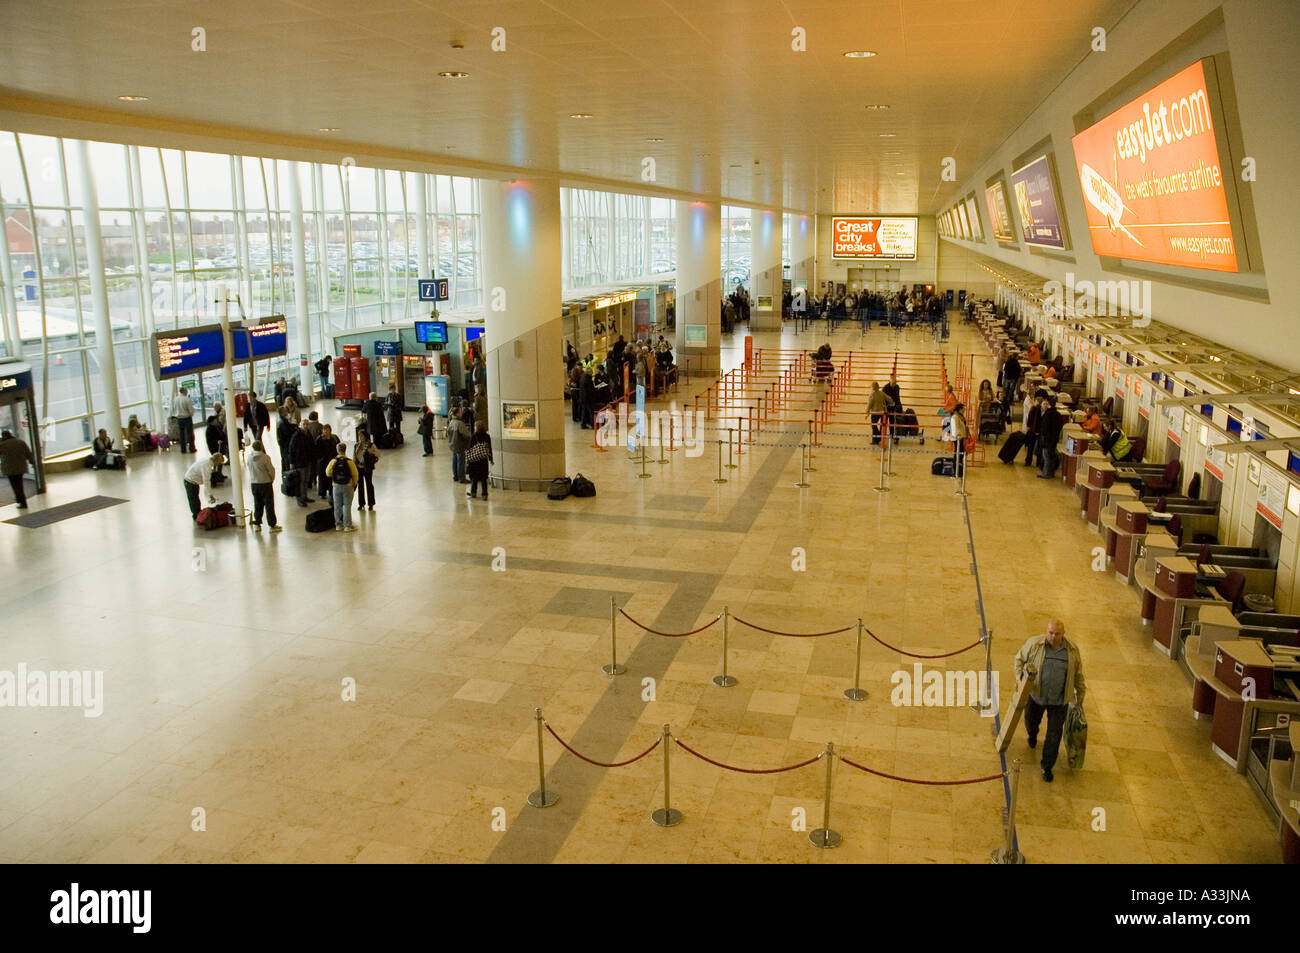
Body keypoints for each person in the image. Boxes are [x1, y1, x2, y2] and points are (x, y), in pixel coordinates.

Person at [1014, 619, 1086, 782]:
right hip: (1036, 696)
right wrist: (1020, 679)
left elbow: (1078, 675)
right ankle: (1032, 735)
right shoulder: (1034, 644)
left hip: (1059, 702)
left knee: (1054, 736)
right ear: (1046, 631)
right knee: (1030, 721)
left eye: (1057, 634)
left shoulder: (1072, 651)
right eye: (1050, 633)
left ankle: (1047, 766)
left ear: (1063, 634)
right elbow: (1019, 659)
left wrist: (1081, 693)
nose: (1053, 636)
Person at [246, 440, 280, 532]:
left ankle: (257, 523)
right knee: (269, 505)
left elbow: (248, 467)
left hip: (254, 483)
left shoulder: (249, 457)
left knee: (257, 504)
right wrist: (271, 479)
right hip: (265, 483)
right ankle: (272, 525)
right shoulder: (265, 457)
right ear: (261, 447)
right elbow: (271, 470)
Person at [324, 443, 358, 532]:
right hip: (348, 486)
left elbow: (327, 473)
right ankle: (347, 526)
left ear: (337, 450)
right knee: (347, 506)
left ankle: (338, 525)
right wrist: (353, 484)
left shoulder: (333, 461)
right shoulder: (349, 462)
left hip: (336, 486)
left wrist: (335, 476)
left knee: (337, 506)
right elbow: (355, 474)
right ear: (345, 450)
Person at [183, 453, 224, 520]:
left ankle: (198, 514)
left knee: (195, 499)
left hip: (191, 480)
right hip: (190, 481)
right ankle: (196, 516)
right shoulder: (207, 466)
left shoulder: (207, 460)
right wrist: (210, 495)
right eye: (219, 463)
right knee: (193, 500)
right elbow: (206, 482)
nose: (218, 465)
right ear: (217, 461)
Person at [0, 429, 35, 508]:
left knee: (15, 485)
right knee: (19, 484)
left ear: (3, 436)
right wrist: (32, 462)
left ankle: (22, 502)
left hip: (9, 468)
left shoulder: (2, 444)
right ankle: (21, 500)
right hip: (20, 467)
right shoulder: (20, 442)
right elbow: (28, 453)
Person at [288, 420, 317, 506]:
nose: (305, 426)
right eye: (303, 424)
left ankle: (304, 496)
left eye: (307, 424)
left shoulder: (309, 435)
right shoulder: (296, 436)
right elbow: (291, 449)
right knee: (300, 481)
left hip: (307, 461)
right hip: (299, 462)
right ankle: (300, 499)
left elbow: (312, 447)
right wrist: (291, 462)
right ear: (300, 425)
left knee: (306, 480)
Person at [1037, 397, 1064, 479]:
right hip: (1054, 438)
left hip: (1047, 439)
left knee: (1046, 456)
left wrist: (1042, 433)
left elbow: (1044, 429)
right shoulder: (1058, 414)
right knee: (1051, 456)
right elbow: (1060, 426)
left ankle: (1046, 474)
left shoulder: (1047, 415)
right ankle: (1051, 473)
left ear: (1049, 405)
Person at [465, 419, 493, 500]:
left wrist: (468, 460)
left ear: (476, 427)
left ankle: (473, 493)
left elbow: (469, 448)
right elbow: (490, 448)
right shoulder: (487, 436)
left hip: (475, 461)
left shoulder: (474, 436)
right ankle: (484, 494)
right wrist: (491, 459)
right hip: (484, 460)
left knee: (474, 478)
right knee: (484, 478)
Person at [354, 429, 380, 510]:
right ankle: (361, 503)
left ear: (365, 436)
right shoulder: (357, 445)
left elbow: (378, 454)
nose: (360, 437)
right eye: (359, 436)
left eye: (361, 436)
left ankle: (371, 503)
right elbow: (354, 456)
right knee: (360, 486)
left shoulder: (370, 445)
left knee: (369, 485)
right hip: (359, 467)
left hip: (367, 468)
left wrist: (371, 452)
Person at [316, 423, 340, 497]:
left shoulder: (334, 438)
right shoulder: (319, 439)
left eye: (327, 430)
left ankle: (331, 491)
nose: (326, 431)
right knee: (322, 477)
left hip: (332, 460)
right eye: (324, 430)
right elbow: (317, 450)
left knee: (331, 476)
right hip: (323, 461)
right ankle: (322, 492)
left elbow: (338, 447)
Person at [447, 405, 470, 483]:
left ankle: (455, 476)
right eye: (460, 412)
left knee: (455, 461)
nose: (461, 413)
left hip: (453, 445)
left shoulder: (451, 422)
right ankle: (462, 478)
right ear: (457, 414)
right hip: (460, 445)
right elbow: (467, 435)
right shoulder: (460, 423)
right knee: (461, 462)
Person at [173, 387, 196, 452]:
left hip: (179, 418)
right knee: (190, 434)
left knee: (181, 435)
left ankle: (183, 449)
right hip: (187, 418)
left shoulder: (176, 399)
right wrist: (191, 414)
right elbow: (190, 410)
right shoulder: (187, 399)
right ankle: (192, 448)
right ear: (185, 391)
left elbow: (174, 408)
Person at [1000, 353, 1021, 421]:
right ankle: (1010, 400)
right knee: (1011, 390)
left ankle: (1005, 400)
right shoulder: (1017, 363)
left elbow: (1005, 369)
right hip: (1013, 379)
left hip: (1008, 378)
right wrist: (1016, 378)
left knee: (1006, 389)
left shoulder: (1008, 362)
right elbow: (1018, 371)